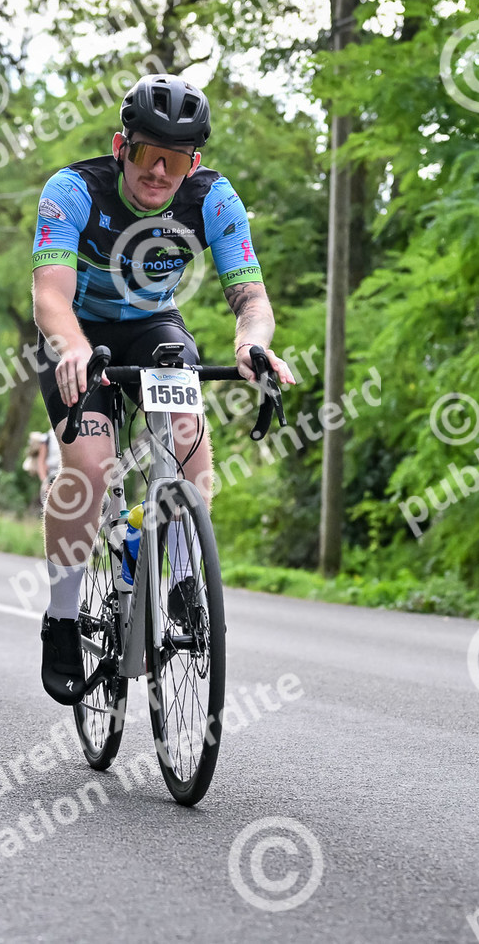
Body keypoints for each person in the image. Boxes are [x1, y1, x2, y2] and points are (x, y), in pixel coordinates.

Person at [31, 74, 296, 705]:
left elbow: (250, 298)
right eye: (148, 153)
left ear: (193, 164)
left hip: (153, 326)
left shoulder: (213, 199)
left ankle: (179, 575)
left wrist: (251, 345)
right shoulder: (73, 191)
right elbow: (49, 296)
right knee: (90, 468)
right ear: (121, 146)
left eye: (174, 161)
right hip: (76, 331)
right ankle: (62, 617)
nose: (158, 171)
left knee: (188, 446)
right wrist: (73, 347)